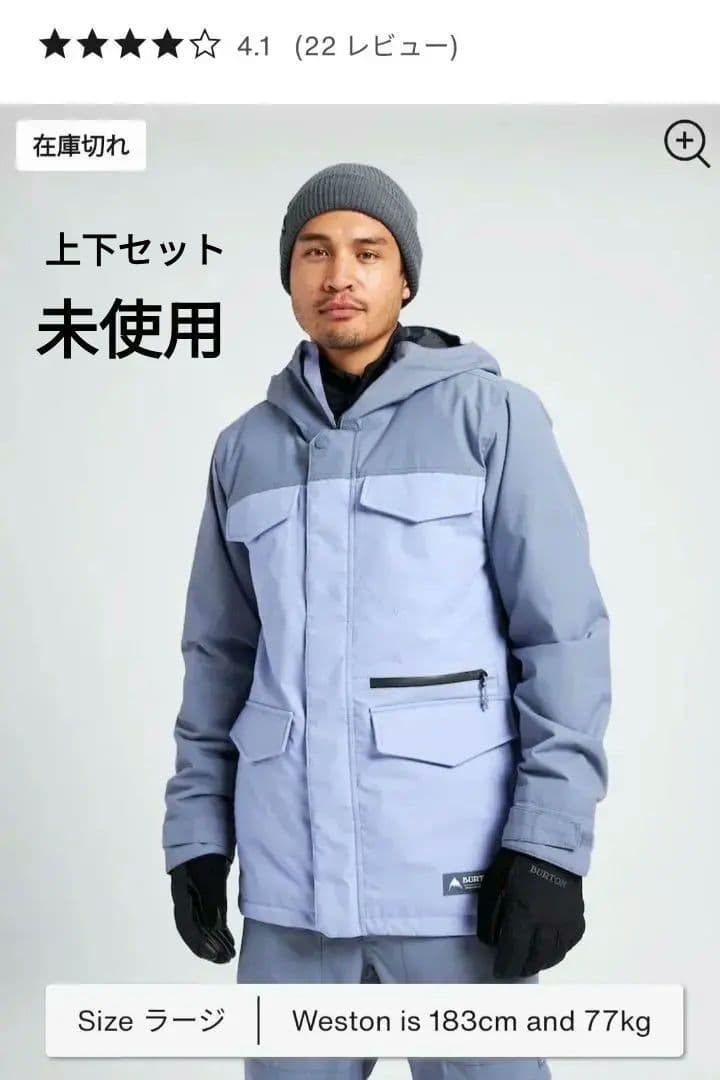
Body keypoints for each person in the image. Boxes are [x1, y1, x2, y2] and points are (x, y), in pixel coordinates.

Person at [162, 163, 612, 1079]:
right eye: (314, 253)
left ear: (404, 277)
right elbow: (218, 660)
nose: (340, 275)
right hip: (290, 902)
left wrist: (549, 845)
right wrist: (198, 835)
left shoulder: (492, 419)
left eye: (367, 252)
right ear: (288, 278)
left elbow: (560, 638)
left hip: (456, 889)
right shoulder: (244, 450)